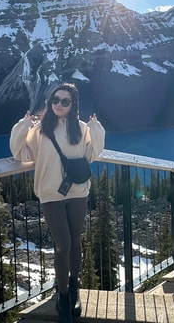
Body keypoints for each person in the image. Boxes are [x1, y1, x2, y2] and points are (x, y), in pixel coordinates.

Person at [9, 83, 105, 323]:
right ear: (49, 102)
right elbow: (20, 153)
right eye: (56, 100)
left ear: (73, 106)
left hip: (78, 192)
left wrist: (96, 128)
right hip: (50, 194)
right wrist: (23, 126)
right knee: (62, 245)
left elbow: (93, 154)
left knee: (75, 243)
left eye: (65, 101)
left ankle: (74, 287)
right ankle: (63, 298)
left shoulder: (81, 129)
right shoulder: (40, 130)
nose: (59, 104)